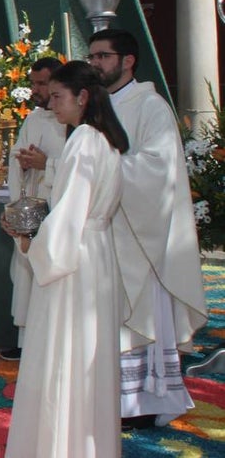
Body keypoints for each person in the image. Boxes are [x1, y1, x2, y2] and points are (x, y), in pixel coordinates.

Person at [5, 61, 129, 458]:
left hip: (71, 259)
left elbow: (70, 211)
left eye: (58, 96)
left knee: (63, 358)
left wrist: (30, 244)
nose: (51, 104)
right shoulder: (106, 139)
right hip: (95, 255)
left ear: (83, 97)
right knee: (85, 355)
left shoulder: (84, 139)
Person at [87, 29, 207, 428]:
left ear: (128, 61)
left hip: (142, 237)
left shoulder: (151, 106)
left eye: (103, 56)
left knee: (138, 317)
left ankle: (142, 403)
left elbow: (158, 170)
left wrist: (101, 167)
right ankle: (107, 398)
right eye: (92, 57)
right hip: (105, 232)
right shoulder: (95, 106)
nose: (96, 64)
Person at [0, 56, 66, 360]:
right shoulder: (34, 118)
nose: (37, 90)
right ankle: (26, 340)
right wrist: (23, 161)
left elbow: (82, 165)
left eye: (43, 84)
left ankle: (48, 341)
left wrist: (46, 163)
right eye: (34, 83)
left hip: (58, 211)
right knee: (26, 275)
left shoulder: (74, 122)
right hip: (31, 208)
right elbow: (18, 154)